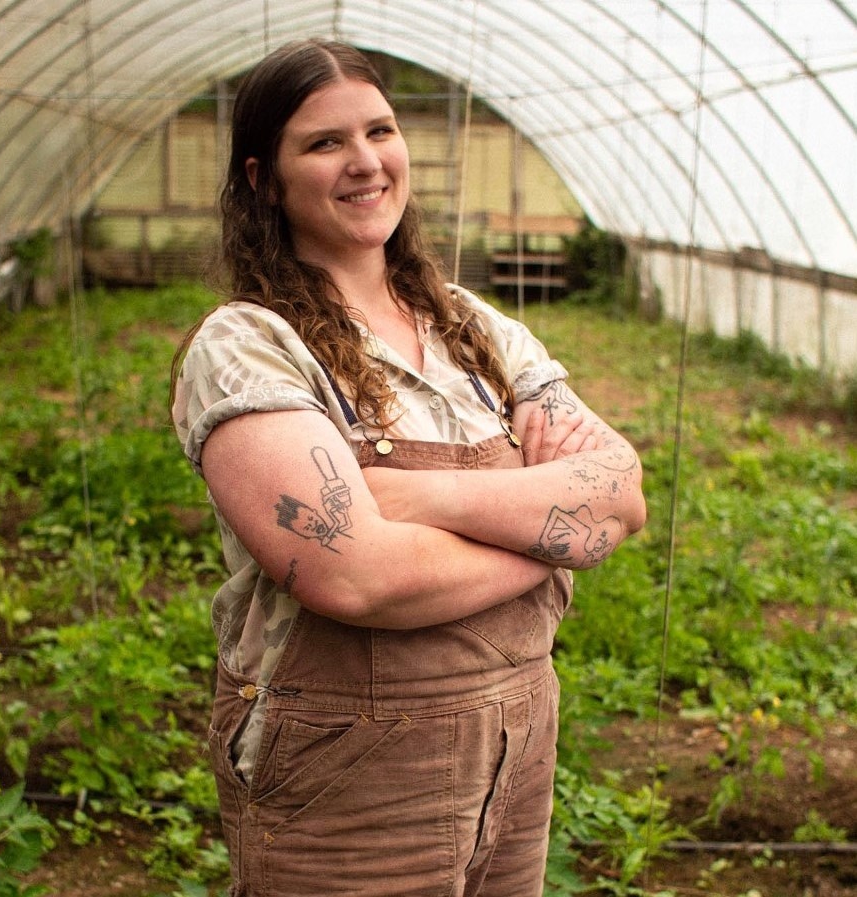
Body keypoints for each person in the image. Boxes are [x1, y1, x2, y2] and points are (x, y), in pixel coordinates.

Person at [171, 38, 646, 897]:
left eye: (380, 130)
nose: (365, 162)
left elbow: (621, 492)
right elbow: (360, 579)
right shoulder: (249, 345)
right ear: (260, 179)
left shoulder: (478, 330)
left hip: (518, 744)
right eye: (323, 143)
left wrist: (417, 496)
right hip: (347, 775)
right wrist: (555, 537)